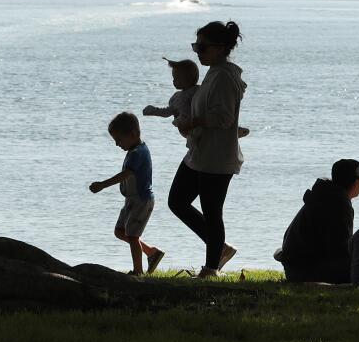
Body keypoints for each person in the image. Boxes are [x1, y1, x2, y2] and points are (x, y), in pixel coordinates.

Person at [167, 20, 247, 279]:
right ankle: (219, 249)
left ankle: (211, 268)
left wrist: (195, 121)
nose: (197, 52)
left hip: (216, 157)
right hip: (200, 153)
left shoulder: (224, 76)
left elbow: (223, 118)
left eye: (202, 47)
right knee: (177, 201)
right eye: (195, 46)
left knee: (212, 212)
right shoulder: (214, 72)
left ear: (220, 47)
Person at [88, 112, 164, 275]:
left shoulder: (137, 152)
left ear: (133, 134)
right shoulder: (135, 150)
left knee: (133, 236)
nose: (117, 144)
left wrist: (103, 185)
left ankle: (138, 271)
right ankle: (151, 252)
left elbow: (126, 174)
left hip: (141, 200)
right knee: (120, 232)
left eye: (119, 140)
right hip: (131, 200)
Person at [278, 157, 359, 283]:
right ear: (356, 182)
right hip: (309, 271)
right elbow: (341, 249)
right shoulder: (339, 204)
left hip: (295, 269)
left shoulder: (324, 195)